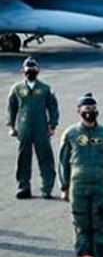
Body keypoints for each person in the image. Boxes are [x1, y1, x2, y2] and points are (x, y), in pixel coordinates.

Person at [58, 93, 103, 257]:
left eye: (93, 110)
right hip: (78, 186)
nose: (90, 113)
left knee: (101, 225)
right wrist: (64, 187)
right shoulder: (70, 134)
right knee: (81, 226)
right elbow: (63, 162)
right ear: (79, 111)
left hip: (101, 186)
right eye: (86, 110)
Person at [7, 57, 59, 199]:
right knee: (23, 158)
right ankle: (24, 186)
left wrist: (52, 125)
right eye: (28, 70)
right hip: (23, 128)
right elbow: (11, 108)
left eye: (33, 70)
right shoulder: (17, 89)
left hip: (41, 127)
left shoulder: (45, 89)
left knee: (45, 157)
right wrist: (11, 126)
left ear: (38, 71)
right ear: (22, 71)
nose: (30, 72)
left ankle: (47, 188)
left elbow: (53, 107)